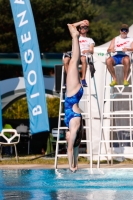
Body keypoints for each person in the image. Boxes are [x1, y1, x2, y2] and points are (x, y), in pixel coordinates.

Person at [64, 21, 89, 172]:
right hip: (73, 96)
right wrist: (70, 167)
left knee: (72, 63)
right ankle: (75, 37)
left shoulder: (75, 132)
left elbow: (74, 150)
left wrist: (76, 164)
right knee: (73, 61)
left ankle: (75, 35)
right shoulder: (73, 130)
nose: (65, 138)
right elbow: (69, 150)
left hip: (75, 96)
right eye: (67, 139)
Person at [63, 20, 95, 87]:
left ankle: (83, 79)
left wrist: (87, 50)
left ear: (87, 29)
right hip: (74, 54)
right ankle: (69, 78)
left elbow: (92, 50)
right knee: (65, 60)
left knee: (83, 58)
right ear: (79, 29)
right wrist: (81, 22)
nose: (83, 29)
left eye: (85, 28)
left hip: (83, 55)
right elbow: (71, 25)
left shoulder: (90, 39)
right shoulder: (76, 36)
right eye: (81, 28)